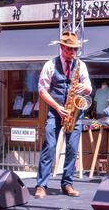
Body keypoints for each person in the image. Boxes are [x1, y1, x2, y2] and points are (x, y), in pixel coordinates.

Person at [34, 31, 92, 199]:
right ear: (61, 47)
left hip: (75, 112)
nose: (72, 53)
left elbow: (88, 86)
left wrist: (85, 87)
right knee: (50, 146)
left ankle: (67, 184)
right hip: (55, 110)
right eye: (69, 49)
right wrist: (58, 108)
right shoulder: (50, 65)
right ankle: (41, 185)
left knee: (72, 149)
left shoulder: (80, 65)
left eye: (74, 50)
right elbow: (42, 90)